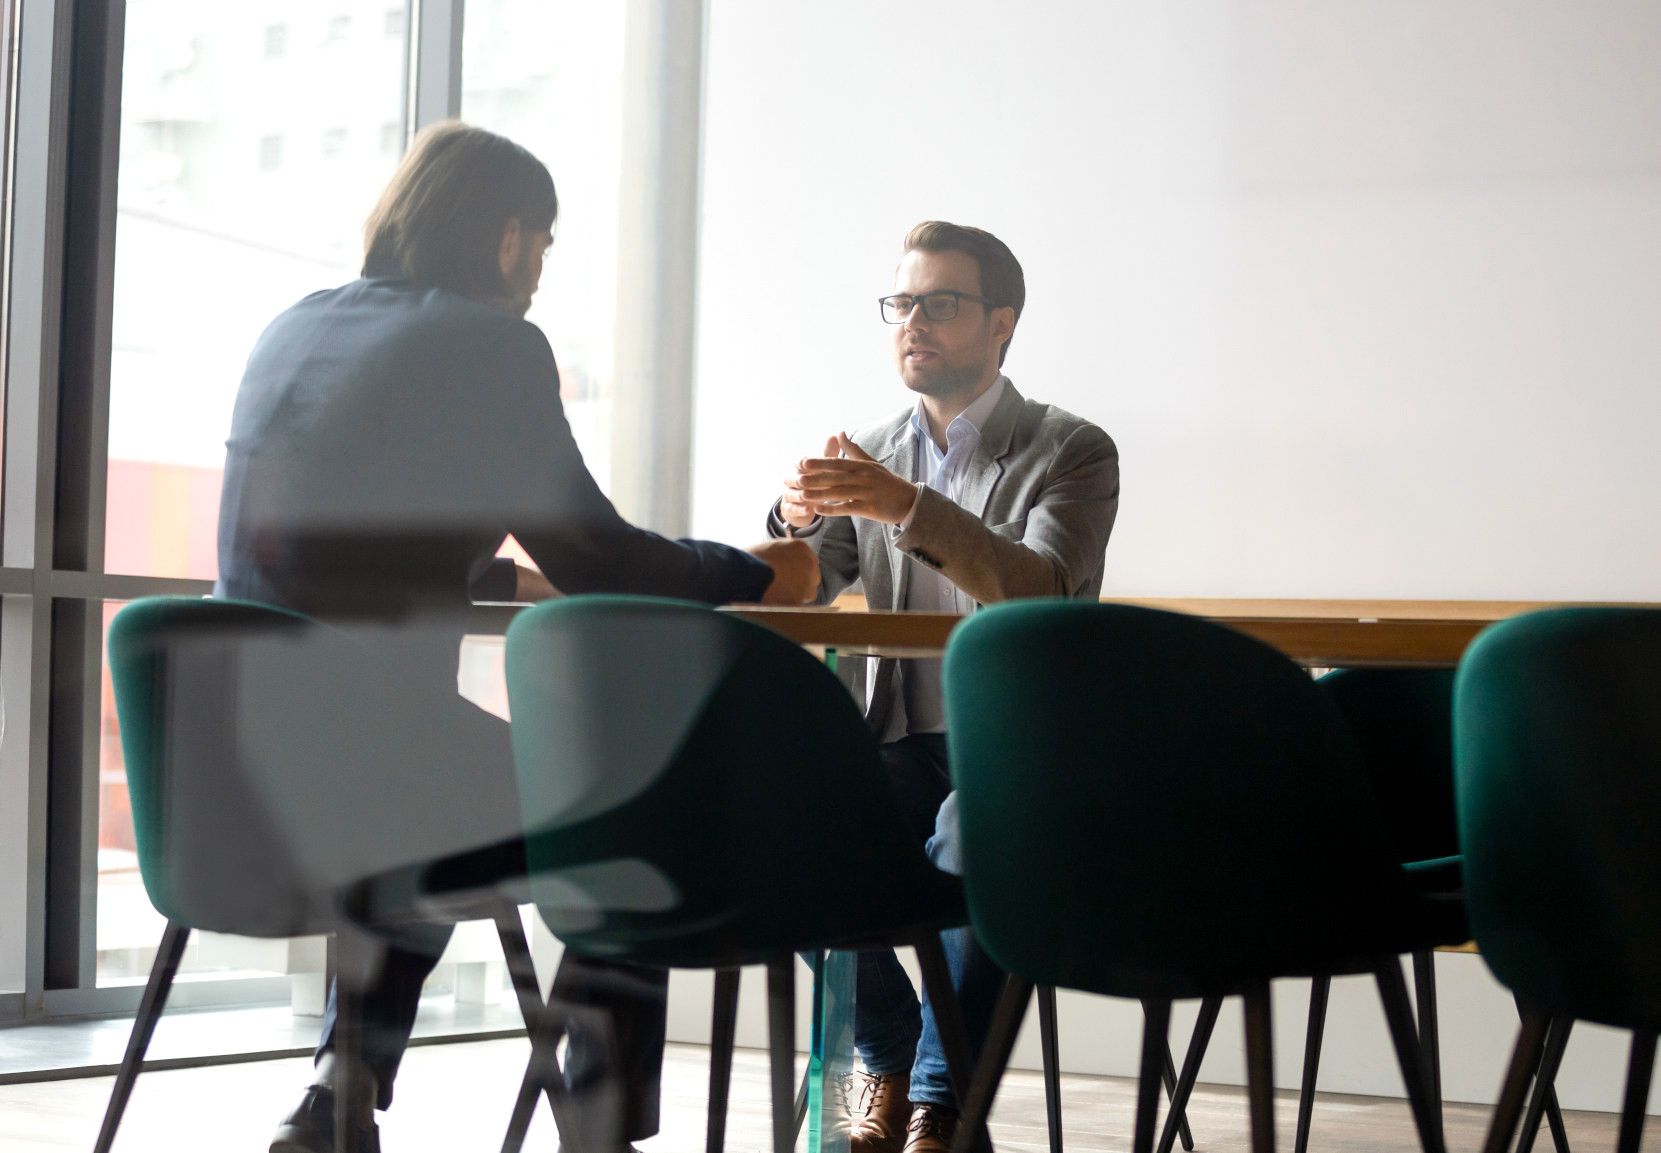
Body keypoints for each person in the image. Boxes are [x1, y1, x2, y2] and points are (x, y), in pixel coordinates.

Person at [215, 120, 819, 1153]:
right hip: (372, 756)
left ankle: (341, 1083)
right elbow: (606, 560)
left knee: (444, 789)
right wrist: (763, 571)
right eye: (543, 241)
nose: (542, 267)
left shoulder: (295, 325)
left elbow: (327, 536)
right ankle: (598, 1127)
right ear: (505, 239)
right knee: (622, 801)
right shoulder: (491, 344)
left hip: (230, 758)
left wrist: (496, 573)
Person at [768, 221, 1119, 1153]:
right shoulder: (873, 445)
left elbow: (1040, 584)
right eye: (901, 303)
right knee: (787, 816)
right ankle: (882, 1052)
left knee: (981, 822)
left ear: (1001, 322)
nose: (913, 322)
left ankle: (937, 1097)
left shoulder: (1070, 449)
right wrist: (789, 512)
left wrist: (902, 505)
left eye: (941, 303)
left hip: (1021, 752)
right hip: (897, 739)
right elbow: (808, 573)